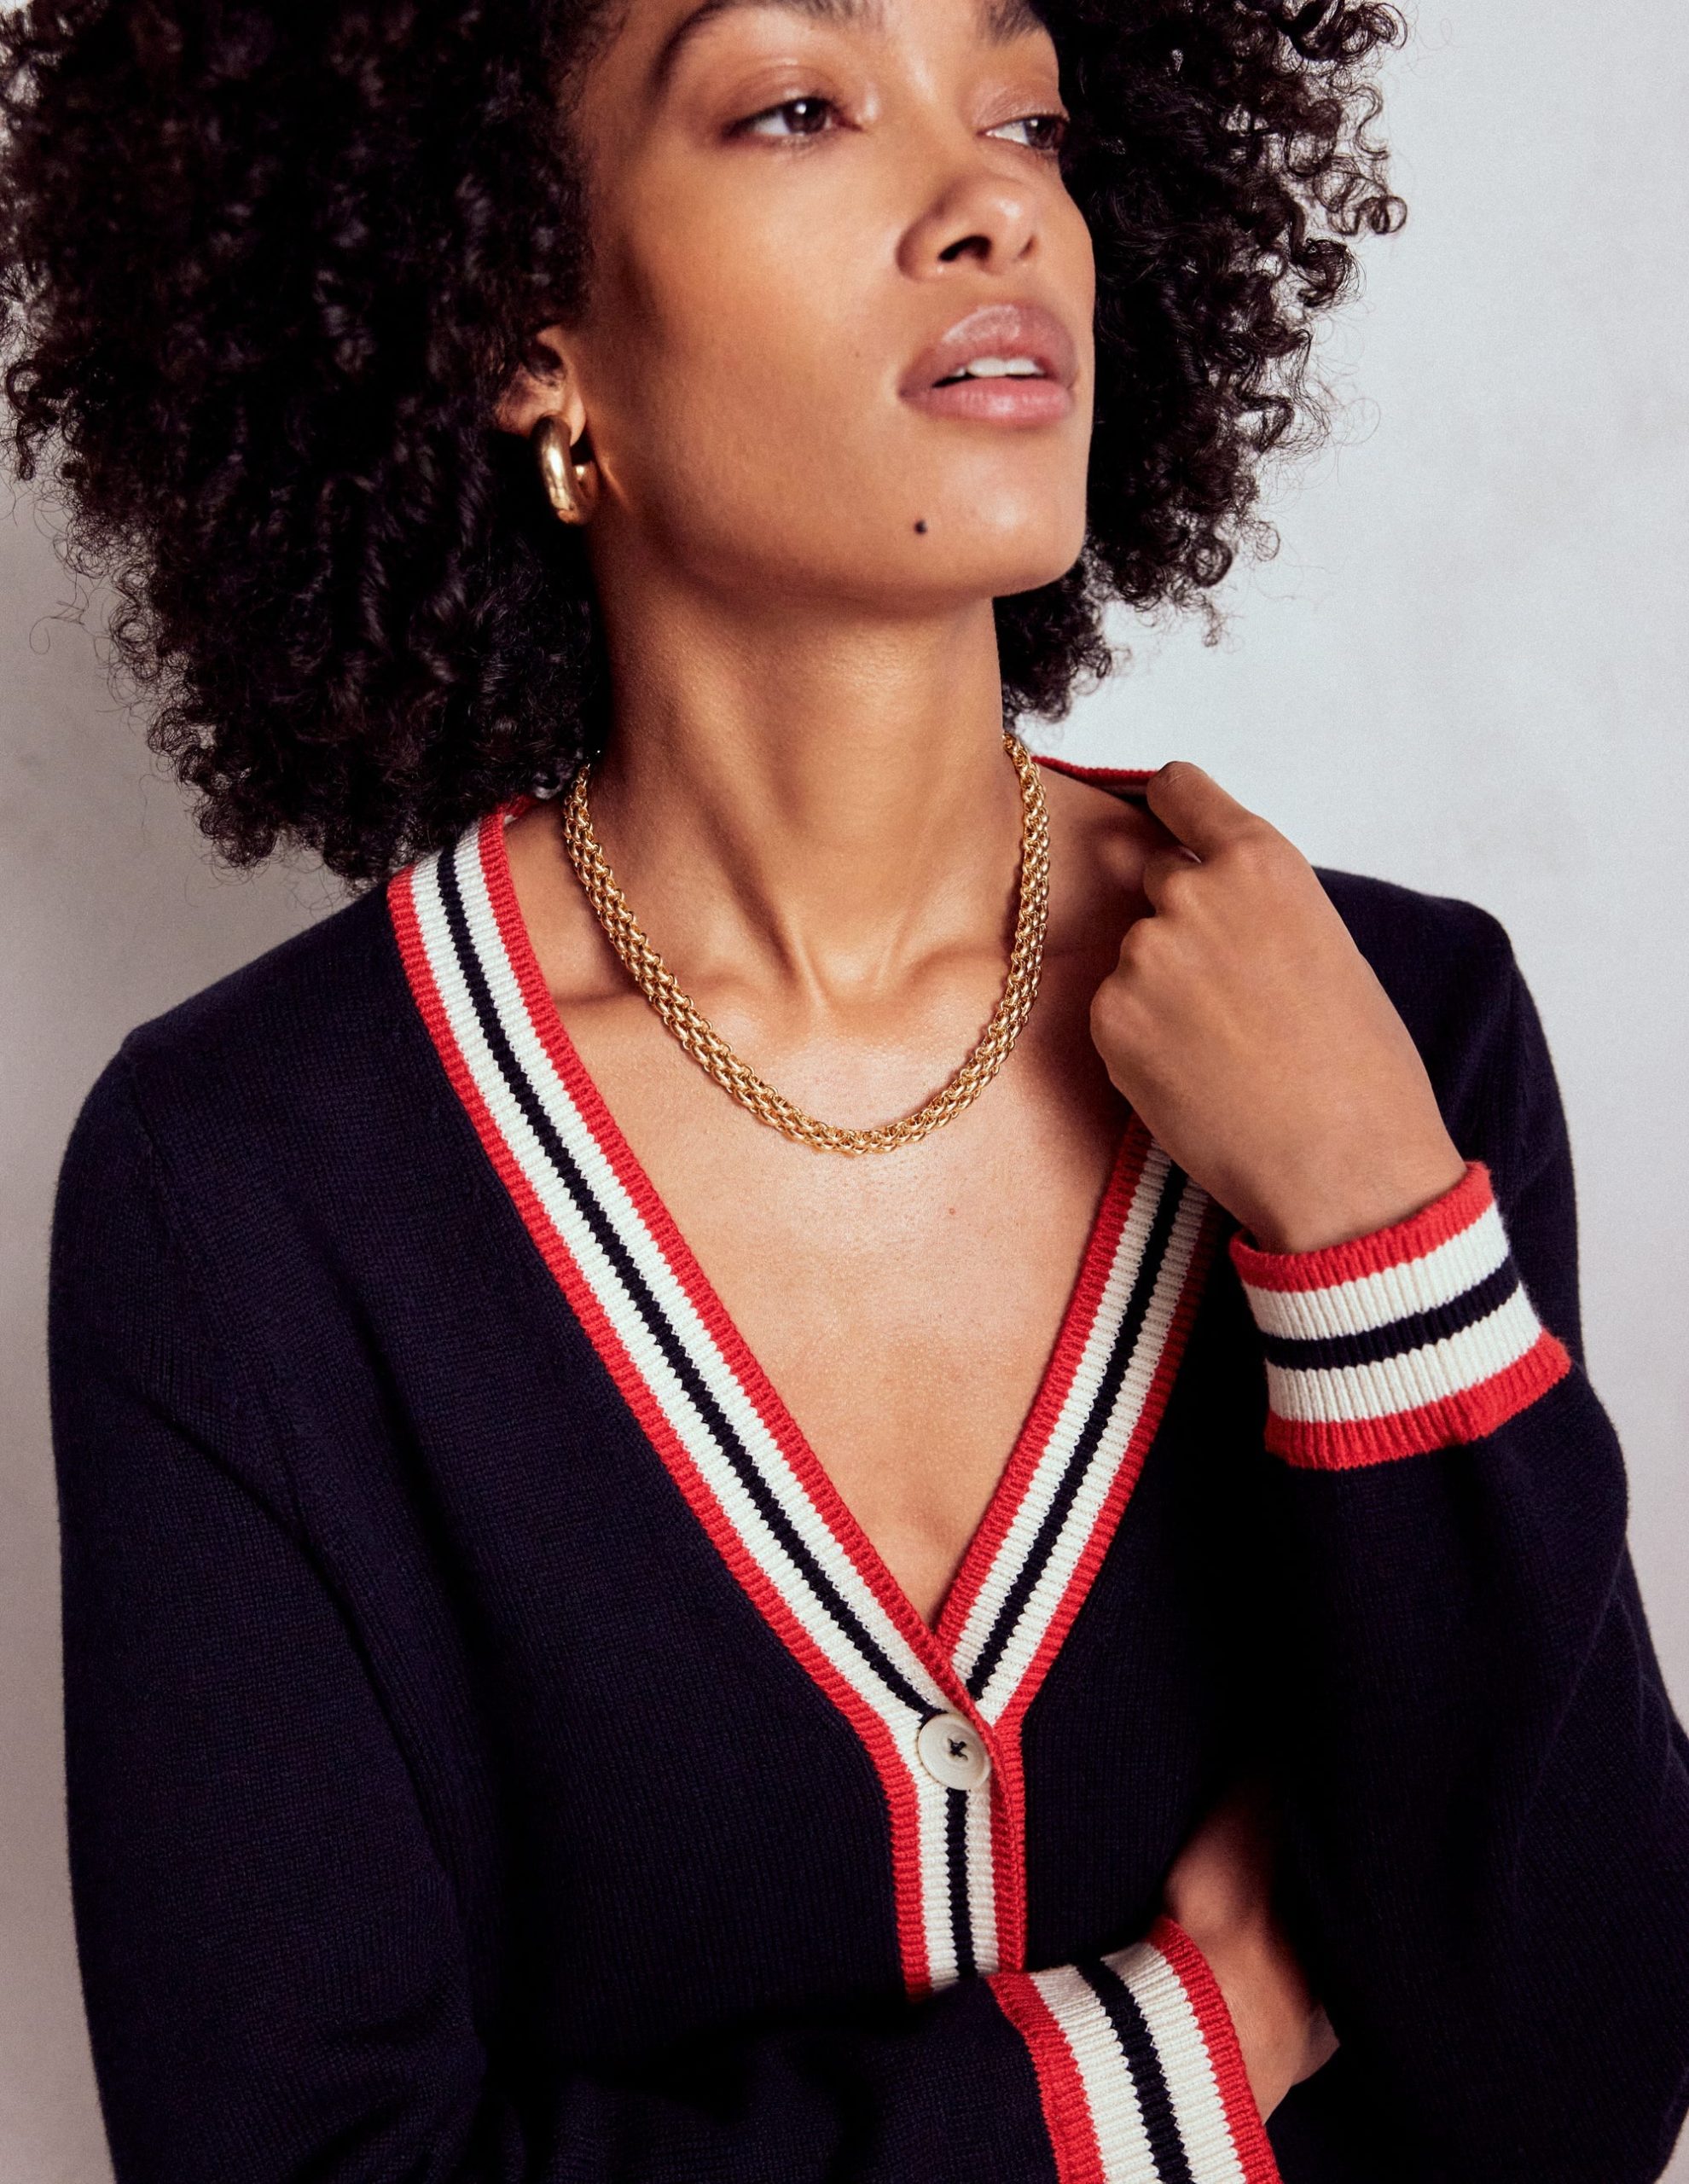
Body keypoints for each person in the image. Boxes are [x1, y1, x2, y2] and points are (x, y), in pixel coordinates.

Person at [6, 0, 1687, 2176]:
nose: (992, 200)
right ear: (528, 331)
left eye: (1030, 114)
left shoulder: (1390, 1033)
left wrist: (1375, 1233)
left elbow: (1572, 2095)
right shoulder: (247, 1193)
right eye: (800, 105)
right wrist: (1177, 2051)